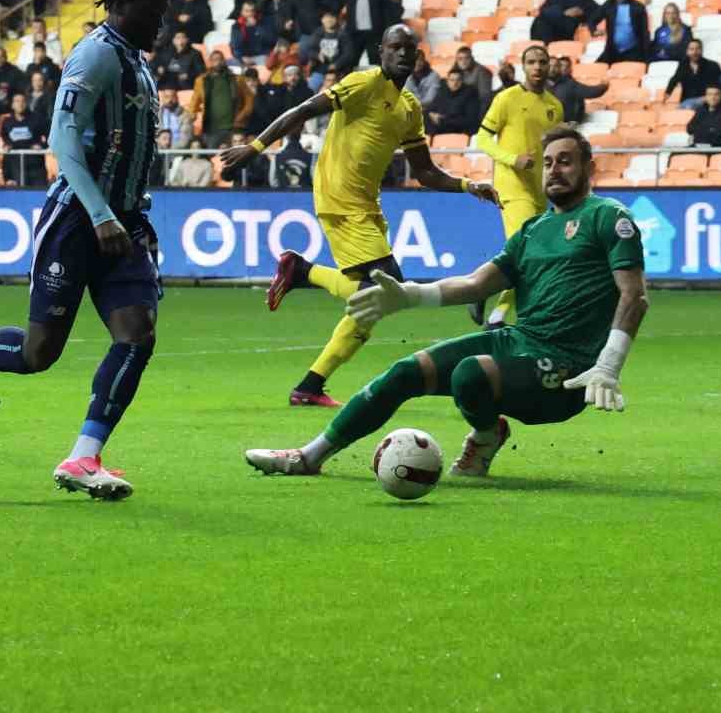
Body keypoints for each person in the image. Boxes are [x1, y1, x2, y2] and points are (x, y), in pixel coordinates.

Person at [245, 125, 646, 479]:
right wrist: (409, 295)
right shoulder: (533, 229)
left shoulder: (608, 217)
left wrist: (608, 364)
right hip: (518, 341)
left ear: (588, 167)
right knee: (404, 372)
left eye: (566, 162)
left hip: (568, 368)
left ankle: (486, 436)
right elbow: (476, 283)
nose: (555, 170)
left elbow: (634, 296)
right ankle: (308, 457)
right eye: (548, 163)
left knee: (470, 374)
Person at [0, 0, 170, 499]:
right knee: (39, 355)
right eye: (154, 11)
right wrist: (100, 213)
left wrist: (124, 215)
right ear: (122, 5)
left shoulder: (139, 63)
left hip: (125, 222)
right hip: (79, 218)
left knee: (137, 336)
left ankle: (83, 457)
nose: (161, 23)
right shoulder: (97, 54)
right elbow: (63, 140)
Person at [222, 25, 500, 407]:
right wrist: (255, 148)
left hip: (367, 203)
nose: (402, 54)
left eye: (409, 49)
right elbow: (303, 110)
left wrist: (470, 186)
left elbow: (425, 172)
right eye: (395, 47)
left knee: (376, 295)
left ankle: (302, 277)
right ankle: (309, 382)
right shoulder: (362, 83)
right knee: (386, 291)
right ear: (381, 51)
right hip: (339, 196)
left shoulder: (409, 108)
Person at [474, 44, 564, 329]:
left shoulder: (554, 106)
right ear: (523, 67)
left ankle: (480, 288)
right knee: (528, 250)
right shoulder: (507, 99)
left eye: (542, 62)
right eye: (532, 62)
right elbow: (483, 138)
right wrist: (512, 159)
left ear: (549, 66)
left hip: (539, 191)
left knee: (521, 252)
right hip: (511, 187)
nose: (537, 67)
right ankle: (498, 316)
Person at [597, 0, 652, 64]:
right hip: (612, 51)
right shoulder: (608, 5)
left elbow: (645, 33)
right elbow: (593, 19)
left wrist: (646, 56)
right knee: (596, 69)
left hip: (633, 52)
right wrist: (593, 30)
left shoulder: (638, 7)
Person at [664, 38, 721, 109]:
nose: (695, 52)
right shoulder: (683, 65)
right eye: (691, 49)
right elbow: (674, 79)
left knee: (688, 106)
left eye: (697, 49)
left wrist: (708, 97)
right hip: (687, 100)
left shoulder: (712, 65)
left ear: (702, 50)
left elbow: (719, 85)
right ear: (687, 51)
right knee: (679, 111)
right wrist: (667, 94)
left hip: (707, 99)